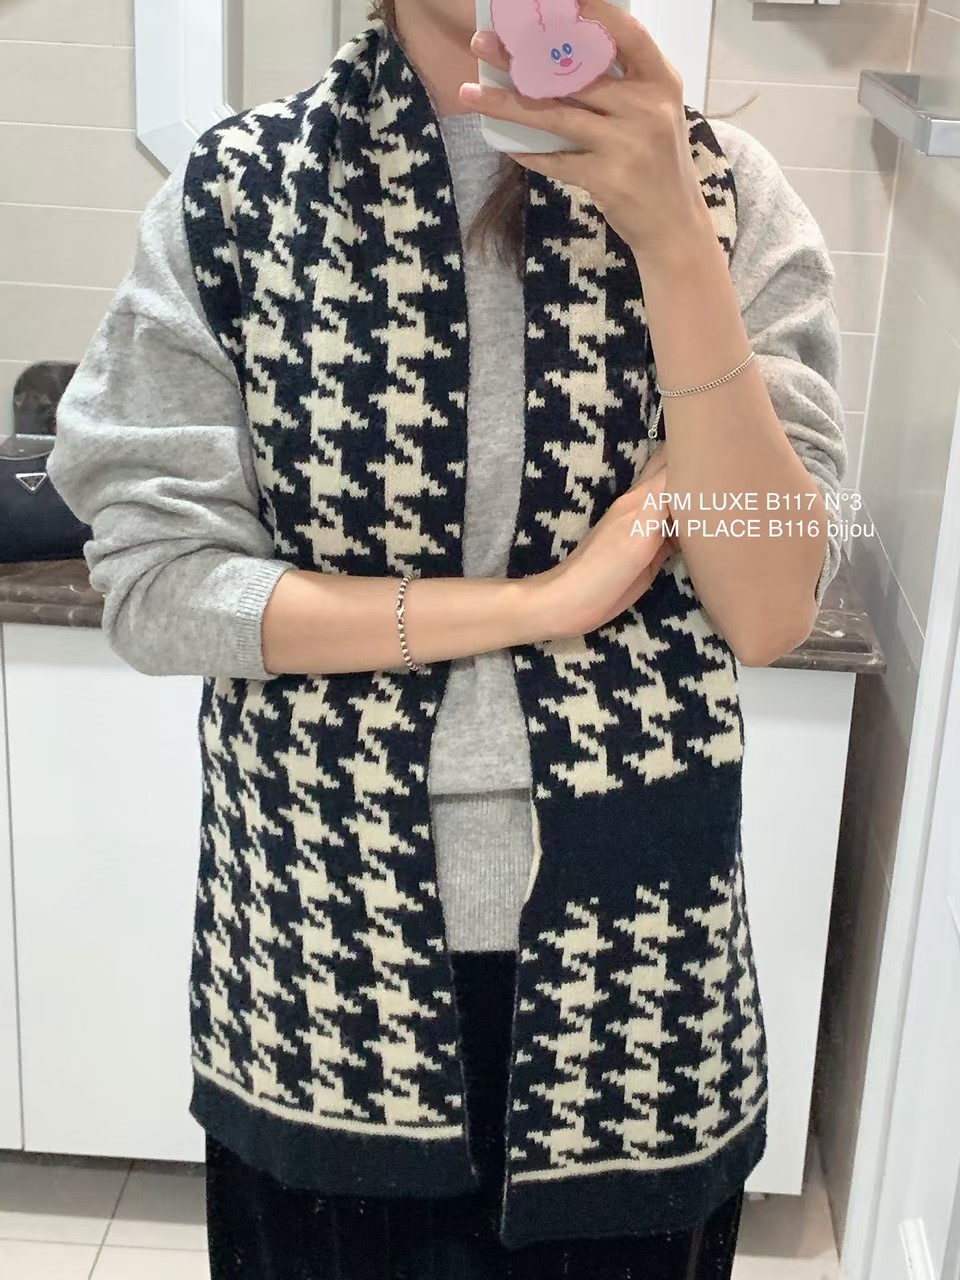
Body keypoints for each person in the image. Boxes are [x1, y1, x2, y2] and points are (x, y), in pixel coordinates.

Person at [48, 0, 846, 1276]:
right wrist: (542, 603)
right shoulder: (241, 196)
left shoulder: (731, 196)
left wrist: (672, 236)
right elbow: (158, 584)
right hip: (322, 962)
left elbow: (770, 602)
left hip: (637, 980)